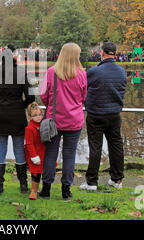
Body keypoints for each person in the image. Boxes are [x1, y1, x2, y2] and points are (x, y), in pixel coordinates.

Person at [0, 44, 35, 195]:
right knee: (19, 150)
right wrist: (21, 105)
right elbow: (31, 96)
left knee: (0, 150)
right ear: (13, 56)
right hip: (17, 115)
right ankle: (23, 185)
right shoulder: (21, 72)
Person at [39, 43, 87, 200]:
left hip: (54, 120)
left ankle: (46, 189)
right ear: (75, 56)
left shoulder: (52, 72)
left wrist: (53, 104)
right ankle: (66, 190)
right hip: (74, 120)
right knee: (69, 155)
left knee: (50, 155)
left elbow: (44, 96)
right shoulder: (81, 74)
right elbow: (83, 97)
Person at [80, 41, 127, 191]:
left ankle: (92, 182)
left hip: (96, 115)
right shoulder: (122, 71)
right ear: (115, 54)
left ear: (102, 53)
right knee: (116, 146)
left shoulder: (95, 71)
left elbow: (82, 87)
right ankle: (117, 179)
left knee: (95, 147)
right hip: (114, 114)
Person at [24, 102, 44, 200]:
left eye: (40, 114)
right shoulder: (29, 129)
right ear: (30, 117)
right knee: (35, 172)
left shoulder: (44, 125)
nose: (38, 117)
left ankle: (40, 189)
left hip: (43, 152)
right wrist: (34, 157)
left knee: (41, 171)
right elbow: (29, 144)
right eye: (35, 115)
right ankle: (34, 191)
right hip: (34, 153)